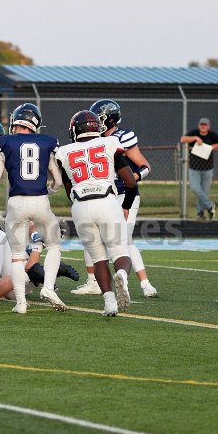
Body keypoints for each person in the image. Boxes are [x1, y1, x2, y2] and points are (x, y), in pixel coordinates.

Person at [0, 102, 67, 314]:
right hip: (40, 201)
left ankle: (21, 303)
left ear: (15, 121)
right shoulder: (48, 142)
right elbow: (58, 181)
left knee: (17, 256)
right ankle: (48, 287)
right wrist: (50, 190)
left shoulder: (3, 142)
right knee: (54, 245)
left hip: (16, 203)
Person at [53, 110, 137, 316]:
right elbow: (130, 182)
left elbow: (68, 189)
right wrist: (126, 205)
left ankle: (109, 302)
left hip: (81, 206)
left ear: (75, 130)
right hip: (107, 201)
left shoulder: (64, 152)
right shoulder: (109, 143)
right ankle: (121, 274)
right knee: (120, 252)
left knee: (98, 258)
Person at [72, 99, 158, 298]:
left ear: (110, 119)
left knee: (123, 238)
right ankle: (93, 282)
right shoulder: (93, 139)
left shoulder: (122, 137)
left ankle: (145, 283)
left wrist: (132, 177)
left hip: (125, 195)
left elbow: (145, 166)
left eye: (99, 118)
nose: (95, 123)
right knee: (91, 237)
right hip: (103, 196)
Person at [180, 117, 218, 219]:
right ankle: (210, 205)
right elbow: (183, 139)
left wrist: (213, 146)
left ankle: (200, 213)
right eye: (201, 125)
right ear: (199, 126)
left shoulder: (212, 135)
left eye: (205, 125)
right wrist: (195, 138)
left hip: (207, 168)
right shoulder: (194, 133)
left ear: (208, 126)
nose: (203, 126)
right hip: (194, 167)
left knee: (204, 192)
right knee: (195, 189)